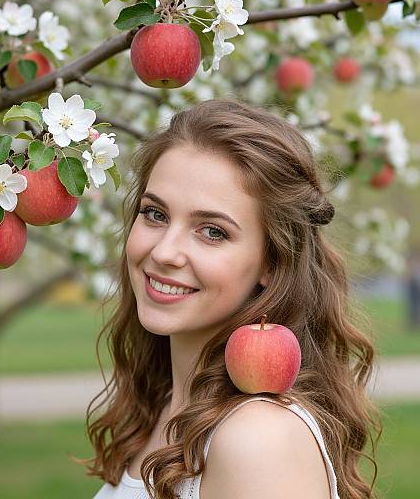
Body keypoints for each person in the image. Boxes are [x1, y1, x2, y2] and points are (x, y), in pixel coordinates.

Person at [74, 99, 383, 499]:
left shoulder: (257, 439)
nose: (165, 252)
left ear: (271, 262)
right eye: (155, 214)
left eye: (213, 231)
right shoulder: (167, 407)